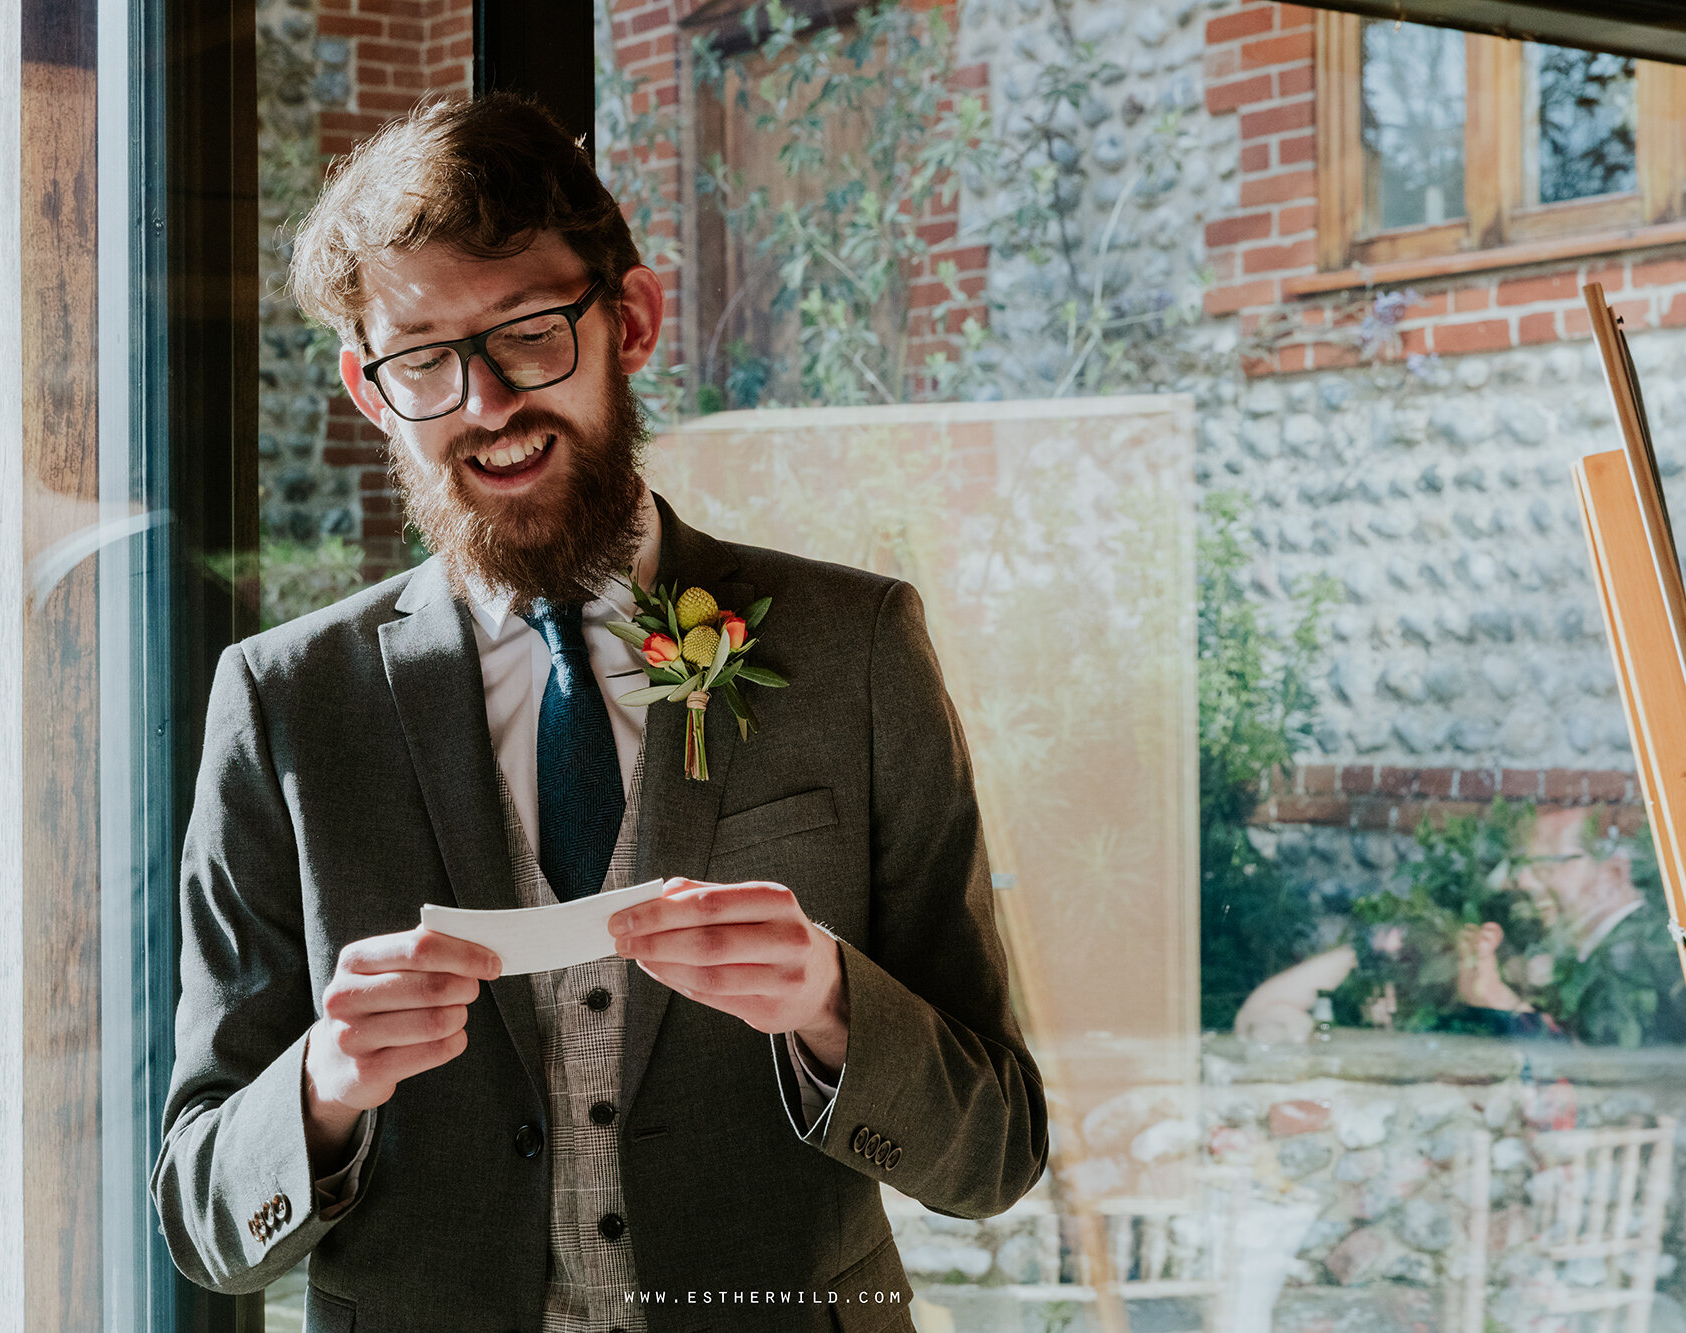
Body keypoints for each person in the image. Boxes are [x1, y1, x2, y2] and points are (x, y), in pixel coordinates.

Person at [151, 92, 1047, 1333]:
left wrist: (830, 1005)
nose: (483, 403)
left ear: (628, 317)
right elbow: (204, 1221)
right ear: (370, 389)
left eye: (526, 334)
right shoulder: (285, 699)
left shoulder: (855, 649)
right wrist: (321, 1083)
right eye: (423, 359)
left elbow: (995, 1148)